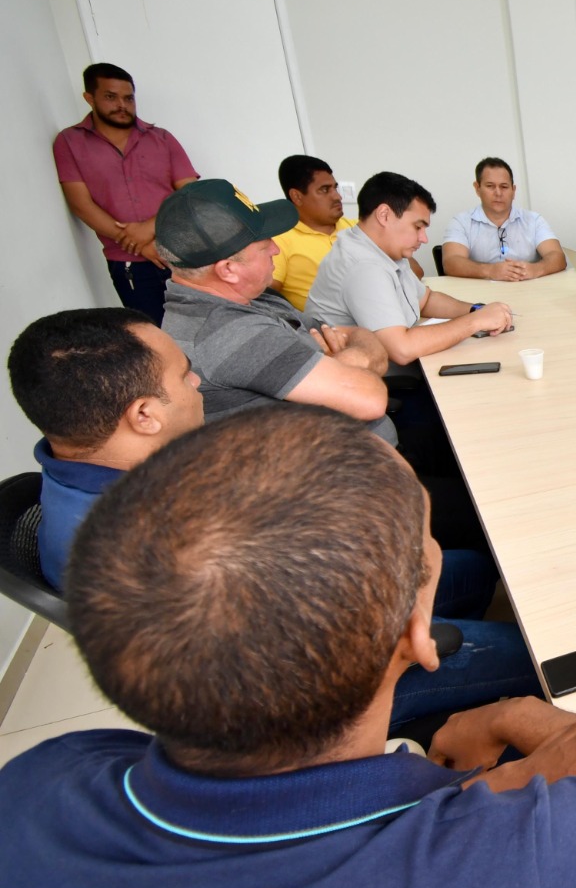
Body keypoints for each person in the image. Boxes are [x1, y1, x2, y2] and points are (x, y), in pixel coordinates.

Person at [0, 404, 576, 888]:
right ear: (419, 631)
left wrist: (502, 781)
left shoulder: (38, 781)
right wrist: (521, 716)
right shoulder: (504, 881)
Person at [6, 308, 533, 719]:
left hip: (325, 599)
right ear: (144, 415)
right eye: (186, 377)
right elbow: (319, 641)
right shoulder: (159, 553)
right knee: (533, 651)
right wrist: (416, 562)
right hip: (324, 680)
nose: (197, 387)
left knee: (482, 569)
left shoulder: (115, 466)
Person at [155, 178, 395, 443]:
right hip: (341, 477)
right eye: (263, 245)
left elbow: (356, 333)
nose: (276, 248)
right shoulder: (230, 332)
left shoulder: (254, 299)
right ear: (228, 270)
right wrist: (355, 361)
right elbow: (370, 400)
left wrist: (346, 363)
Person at [8, 309, 201, 590]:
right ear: (144, 415)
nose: (196, 381)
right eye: (184, 375)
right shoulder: (164, 550)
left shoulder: (71, 461)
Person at [307, 172, 513, 367]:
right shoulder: (362, 266)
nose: (424, 238)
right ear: (384, 215)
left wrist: (477, 309)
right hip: (378, 381)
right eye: (417, 227)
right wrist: (474, 321)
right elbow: (401, 349)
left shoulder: (383, 248)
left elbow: (426, 300)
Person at [52, 63, 199, 325]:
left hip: (183, 253)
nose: (122, 105)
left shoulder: (162, 139)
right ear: (90, 98)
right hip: (130, 266)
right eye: (111, 97)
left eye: (128, 98)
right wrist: (141, 244)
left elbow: (191, 192)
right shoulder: (69, 143)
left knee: (204, 329)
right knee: (156, 338)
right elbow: (81, 205)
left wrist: (149, 228)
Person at [269, 154, 425, 311]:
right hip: (334, 328)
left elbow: (416, 272)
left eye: (335, 188)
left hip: (393, 312)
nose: (337, 196)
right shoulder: (279, 240)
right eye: (324, 190)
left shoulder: (358, 227)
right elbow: (265, 300)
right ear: (297, 196)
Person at [440, 157, 564, 280]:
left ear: (513, 190)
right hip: (480, 294)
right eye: (490, 186)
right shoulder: (461, 222)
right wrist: (490, 271)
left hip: (528, 291)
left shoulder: (534, 220)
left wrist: (535, 269)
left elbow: (558, 257)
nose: (498, 193)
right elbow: (451, 262)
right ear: (477, 188)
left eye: (504, 187)